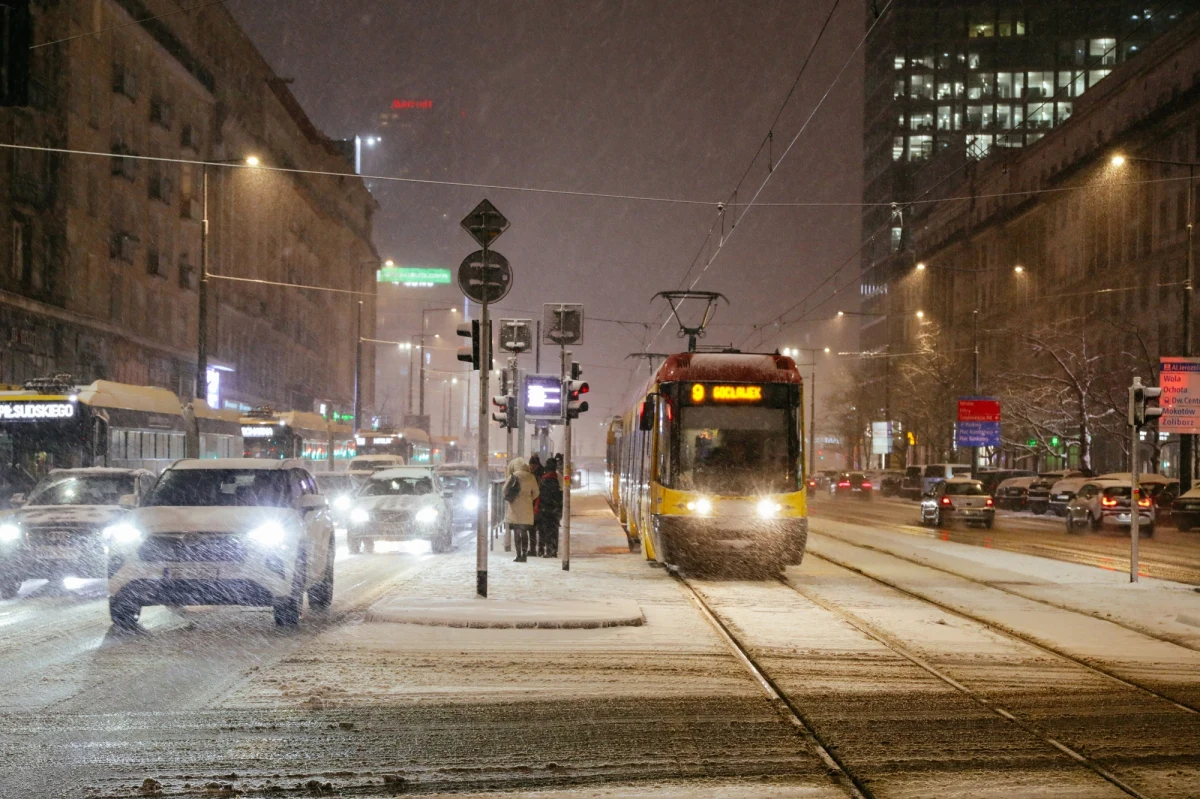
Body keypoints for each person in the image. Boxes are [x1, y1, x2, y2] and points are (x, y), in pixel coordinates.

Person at [504, 457, 539, 562]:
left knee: (516, 532)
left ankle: (518, 554)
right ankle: (524, 554)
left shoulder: (513, 476)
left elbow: (504, 490)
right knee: (524, 532)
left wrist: (512, 498)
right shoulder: (531, 477)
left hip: (515, 507)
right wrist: (529, 498)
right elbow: (537, 492)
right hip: (527, 508)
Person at [536, 456, 563, 558]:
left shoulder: (544, 478)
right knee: (554, 530)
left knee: (545, 530)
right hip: (555, 509)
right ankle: (553, 550)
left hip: (545, 509)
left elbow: (540, 494)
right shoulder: (558, 477)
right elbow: (562, 493)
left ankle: (545, 550)